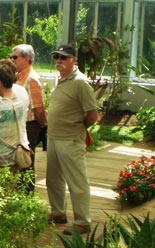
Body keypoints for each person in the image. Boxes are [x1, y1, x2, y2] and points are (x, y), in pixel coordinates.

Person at [46, 44, 98, 235]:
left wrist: (78, 127)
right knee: (53, 179)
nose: (59, 60)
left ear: (74, 60)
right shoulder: (61, 79)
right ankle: (58, 212)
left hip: (70, 139)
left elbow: (92, 115)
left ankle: (83, 221)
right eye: (56, 57)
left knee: (77, 181)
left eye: (63, 57)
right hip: (54, 137)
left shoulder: (81, 83)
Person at [11, 44, 48, 181]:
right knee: (19, 160)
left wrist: (42, 126)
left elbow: (38, 107)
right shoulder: (18, 76)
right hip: (20, 124)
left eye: (15, 57)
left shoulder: (31, 79)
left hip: (30, 125)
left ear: (26, 59)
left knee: (26, 160)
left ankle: (27, 192)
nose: (12, 60)